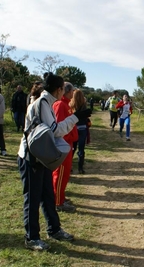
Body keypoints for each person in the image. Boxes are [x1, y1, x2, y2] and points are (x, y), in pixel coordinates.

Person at [17, 72, 91, 251]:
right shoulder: (42, 104)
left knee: (48, 195)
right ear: (58, 90)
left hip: (41, 157)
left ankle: (54, 229)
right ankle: (32, 238)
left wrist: (75, 118)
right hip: (31, 158)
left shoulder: (46, 103)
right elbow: (55, 131)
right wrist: (76, 118)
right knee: (32, 199)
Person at [52, 82, 78, 212]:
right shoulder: (59, 105)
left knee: (65, 174)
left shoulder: (66, 104)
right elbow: (58, 127)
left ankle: (60, 196)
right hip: (63, 145)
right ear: (66, 91)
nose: (74, 93)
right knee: (60, 173)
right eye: (72, 91)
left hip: (68, 144)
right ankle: (57, 202)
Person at [70, 89, 89, 174]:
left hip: (74, 128)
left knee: (72, 149)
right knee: (81, 149)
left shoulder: (70, 105)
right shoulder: (84, 105)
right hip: (82, 128)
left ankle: (70, 166)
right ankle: (80, 168)